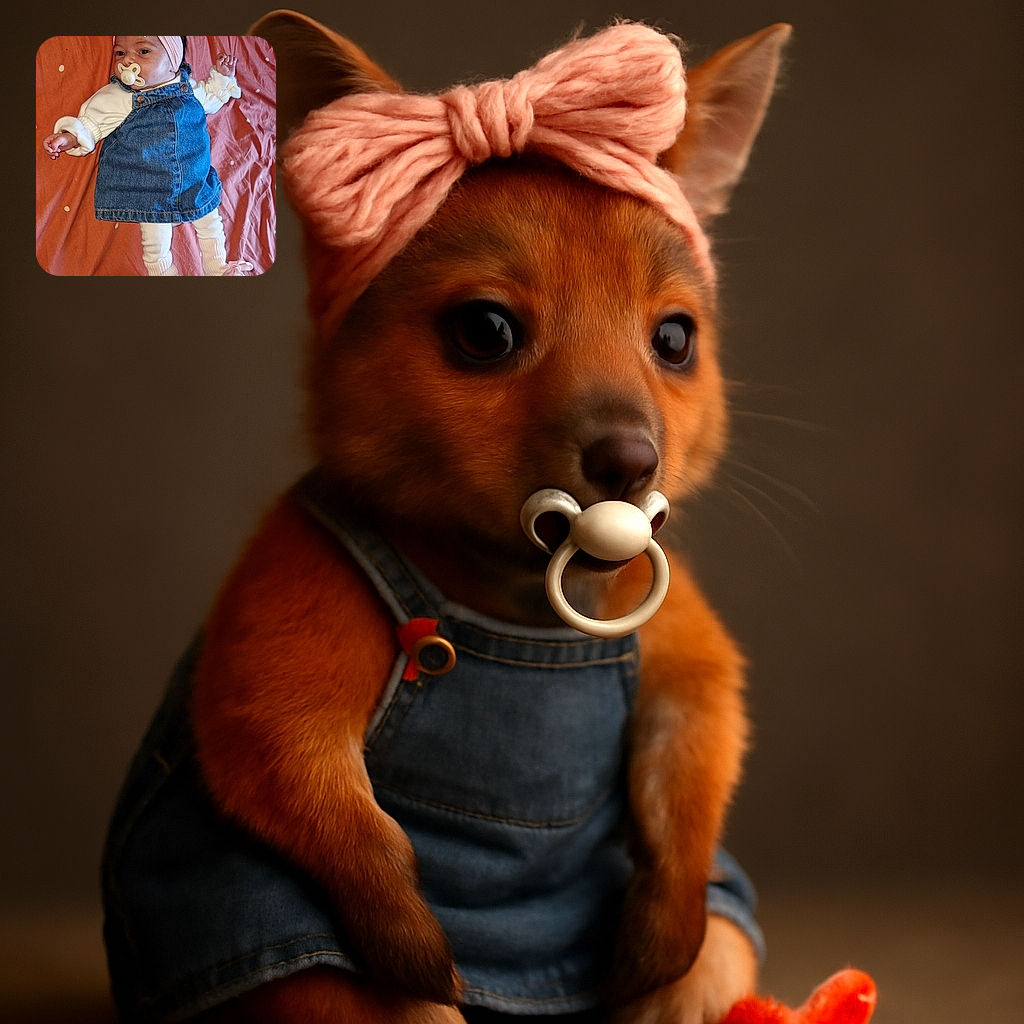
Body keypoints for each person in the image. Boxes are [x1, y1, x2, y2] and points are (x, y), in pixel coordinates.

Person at [42, 36, 252, 276]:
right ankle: (163, 275)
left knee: (211, 223)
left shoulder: (189, 89)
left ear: (173, 61)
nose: (127, 60)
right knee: (155, 243)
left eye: (142, 51)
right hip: (148, 187)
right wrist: (68, 137)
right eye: (120, 53)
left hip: (194, 176)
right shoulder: (118, 96)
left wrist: (222, 76)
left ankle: (219, 268)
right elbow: (91, 123)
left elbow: (212, 98)